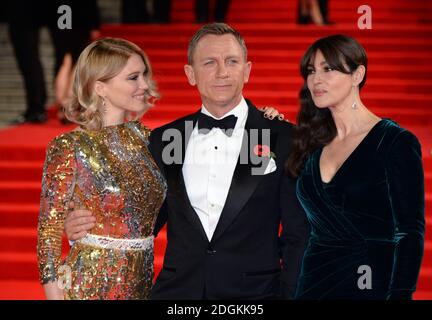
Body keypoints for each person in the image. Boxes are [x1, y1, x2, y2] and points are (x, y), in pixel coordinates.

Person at [65, 23, 310, 299]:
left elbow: (297, 235)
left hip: (255, 296)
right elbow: (143, 223)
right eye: (209, 63)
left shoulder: (281, 137)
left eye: (232, 61)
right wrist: (84, 227)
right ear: (190, 74)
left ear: (247, 70)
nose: (222, 72)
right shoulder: (165, 139)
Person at [286, 34, 425, 299]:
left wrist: (400, 295)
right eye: (311, 71)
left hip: (371, 283)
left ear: (358, 74)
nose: (316, 79)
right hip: (313, 283)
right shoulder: (312, 143)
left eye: (328, 69)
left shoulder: (395, 142)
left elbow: (409, 232)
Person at [37, 38, 167, 300]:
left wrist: (266, 121)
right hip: (87, 285)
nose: (144, 85)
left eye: (144, 75)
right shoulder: (70, 145)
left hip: (142, 285)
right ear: (100, 87)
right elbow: (48, 232)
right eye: (133, 77)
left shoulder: (153, 141)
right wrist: (55, 295)